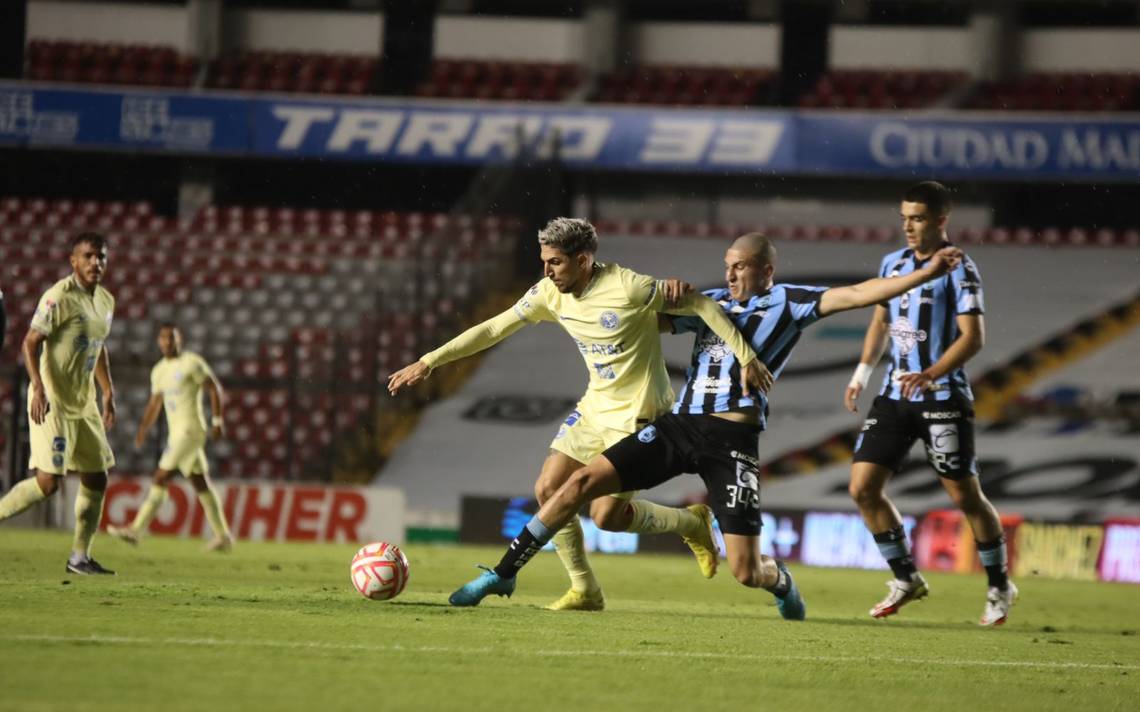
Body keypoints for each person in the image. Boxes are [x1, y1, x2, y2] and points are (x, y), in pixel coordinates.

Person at [449, 232, 962, 618]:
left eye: (740, 267)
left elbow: (865, 292)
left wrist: (928, 271)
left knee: (744, 571)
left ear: (766, 270)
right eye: (727, 266)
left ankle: (779, 580)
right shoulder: (710, 302)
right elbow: (636, 317)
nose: (731, 275)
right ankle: (502, 573)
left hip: (732, 440)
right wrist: (654, 295)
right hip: (679, 425)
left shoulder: (793, 302)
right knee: (577, 484)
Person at [388, 217, 771, 611]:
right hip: (594, 408)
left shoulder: (629, 287)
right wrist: (429, 361)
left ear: (584, 260)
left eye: (555, 262)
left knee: (608, 517)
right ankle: (584, 589)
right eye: (544, 261)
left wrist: (746, 357)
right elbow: (492, 329)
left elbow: (702, 304)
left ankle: (689, 523)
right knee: (548, 490)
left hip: (638, 413)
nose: (547, 271)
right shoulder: (548, 294)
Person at [844, 181, 1016, 626]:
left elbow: (973, 338)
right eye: (904, 218)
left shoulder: (961, 269)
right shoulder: (893, 262)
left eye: (917, 218)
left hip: (942, 397)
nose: (908, 226)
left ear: (941, 220)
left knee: (965, 495)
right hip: (893, 395)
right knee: (862, 488)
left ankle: (999, 585)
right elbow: (880, 320)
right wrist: (862, 373)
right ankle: (907, 578)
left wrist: (931, 374)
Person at [0, 232, 118, 575]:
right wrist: (37, 387)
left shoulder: (106, 301)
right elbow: (29, 343)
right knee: (49, 483)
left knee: (97, 477)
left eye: (102, 257)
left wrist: (108, 391)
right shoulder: (58, 297)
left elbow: (98, 347)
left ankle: (79, 558)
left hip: (85, 403)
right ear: (74, 261)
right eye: (89, 256)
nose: (96, 262)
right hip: (53, 400)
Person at [107, 323, 233, 551]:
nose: (167, 342)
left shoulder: (191, 363)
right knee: (200, 483)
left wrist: (217, 421)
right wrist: (143, 429)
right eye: (164, 338)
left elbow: (214, 388)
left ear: (179, 340)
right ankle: (223, 536)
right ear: (159, 342)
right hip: (177, 433)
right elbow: (155, 403)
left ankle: (136, 530)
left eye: (171, 338)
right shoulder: (159, 371)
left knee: (161, 476)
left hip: (191, 430)